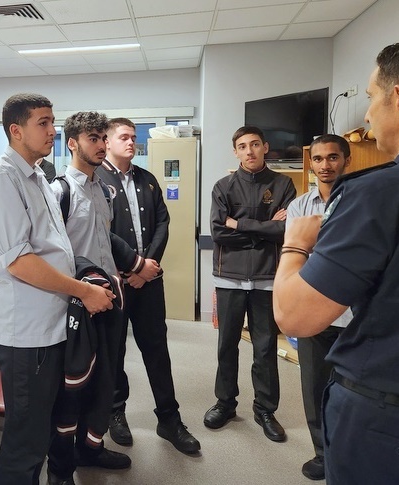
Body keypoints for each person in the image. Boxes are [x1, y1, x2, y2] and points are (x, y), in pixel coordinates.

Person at [274, 41, 399, 484]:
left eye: (370, 97)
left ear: (398, 97)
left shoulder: (375, 193)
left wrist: (293, 245)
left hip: (383, 406)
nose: (367, 114)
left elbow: (294, 314)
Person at [0, 93, 114, 485]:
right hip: (26, 332)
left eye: (53, 121)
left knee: (46, 427)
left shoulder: (37, 175)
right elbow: (19, 261)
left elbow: (56, 248)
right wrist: (83, 291)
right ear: (16, 130)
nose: (53, 130)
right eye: (43, 123)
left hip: (49, 326)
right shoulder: (0, 178)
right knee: (26, 441)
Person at [47, 111, 162, 484]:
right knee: (71, 389)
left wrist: (134, 265)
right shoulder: (59, 190)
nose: (99, 145)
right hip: (77, 305)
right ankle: (62, 469)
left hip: (111, 299)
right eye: (92, 139)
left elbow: (105, 240)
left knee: (104, 382)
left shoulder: (102, 190)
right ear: (72, 143)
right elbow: (51, 252)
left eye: (101, 138)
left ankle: (91, 449)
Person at [95, 118, 200, 455]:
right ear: (108, 142)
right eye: (124, 137)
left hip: (149, 281)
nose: (131, 143)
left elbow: (163, 223)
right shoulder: (96, 181)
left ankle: (169, 419)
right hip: (116, 282)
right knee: (114, 352)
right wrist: (131, 267)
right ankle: (115, 412)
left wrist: (147, 267)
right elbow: (99, 230)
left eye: (133, 138)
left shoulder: (147, 179)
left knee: (157, 350)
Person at [205, 125, 296, 442]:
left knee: (265, 348)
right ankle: (225, 404)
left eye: (255, 144)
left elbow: (286, 232)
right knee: (226, 345)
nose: (249, 151)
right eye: (242, 146)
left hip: (267, 279)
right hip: (228, 277)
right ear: (236, 151)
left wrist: (239, 224)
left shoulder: (283, 184)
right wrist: (266, 226)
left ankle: (265, 410)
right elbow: (219, 233)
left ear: (265, 147)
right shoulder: (223, 187)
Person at [284, 134, 353, 481]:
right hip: (312, 308)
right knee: (313, 385)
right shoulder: (300, 206)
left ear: (346, 161)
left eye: (333, 158)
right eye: (320, 159)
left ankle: (346, 451)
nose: (326, 165)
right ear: (311, 164)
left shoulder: (361, 201)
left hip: (353, 312)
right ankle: (322, 452)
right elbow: (295, 253)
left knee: (349, 388)